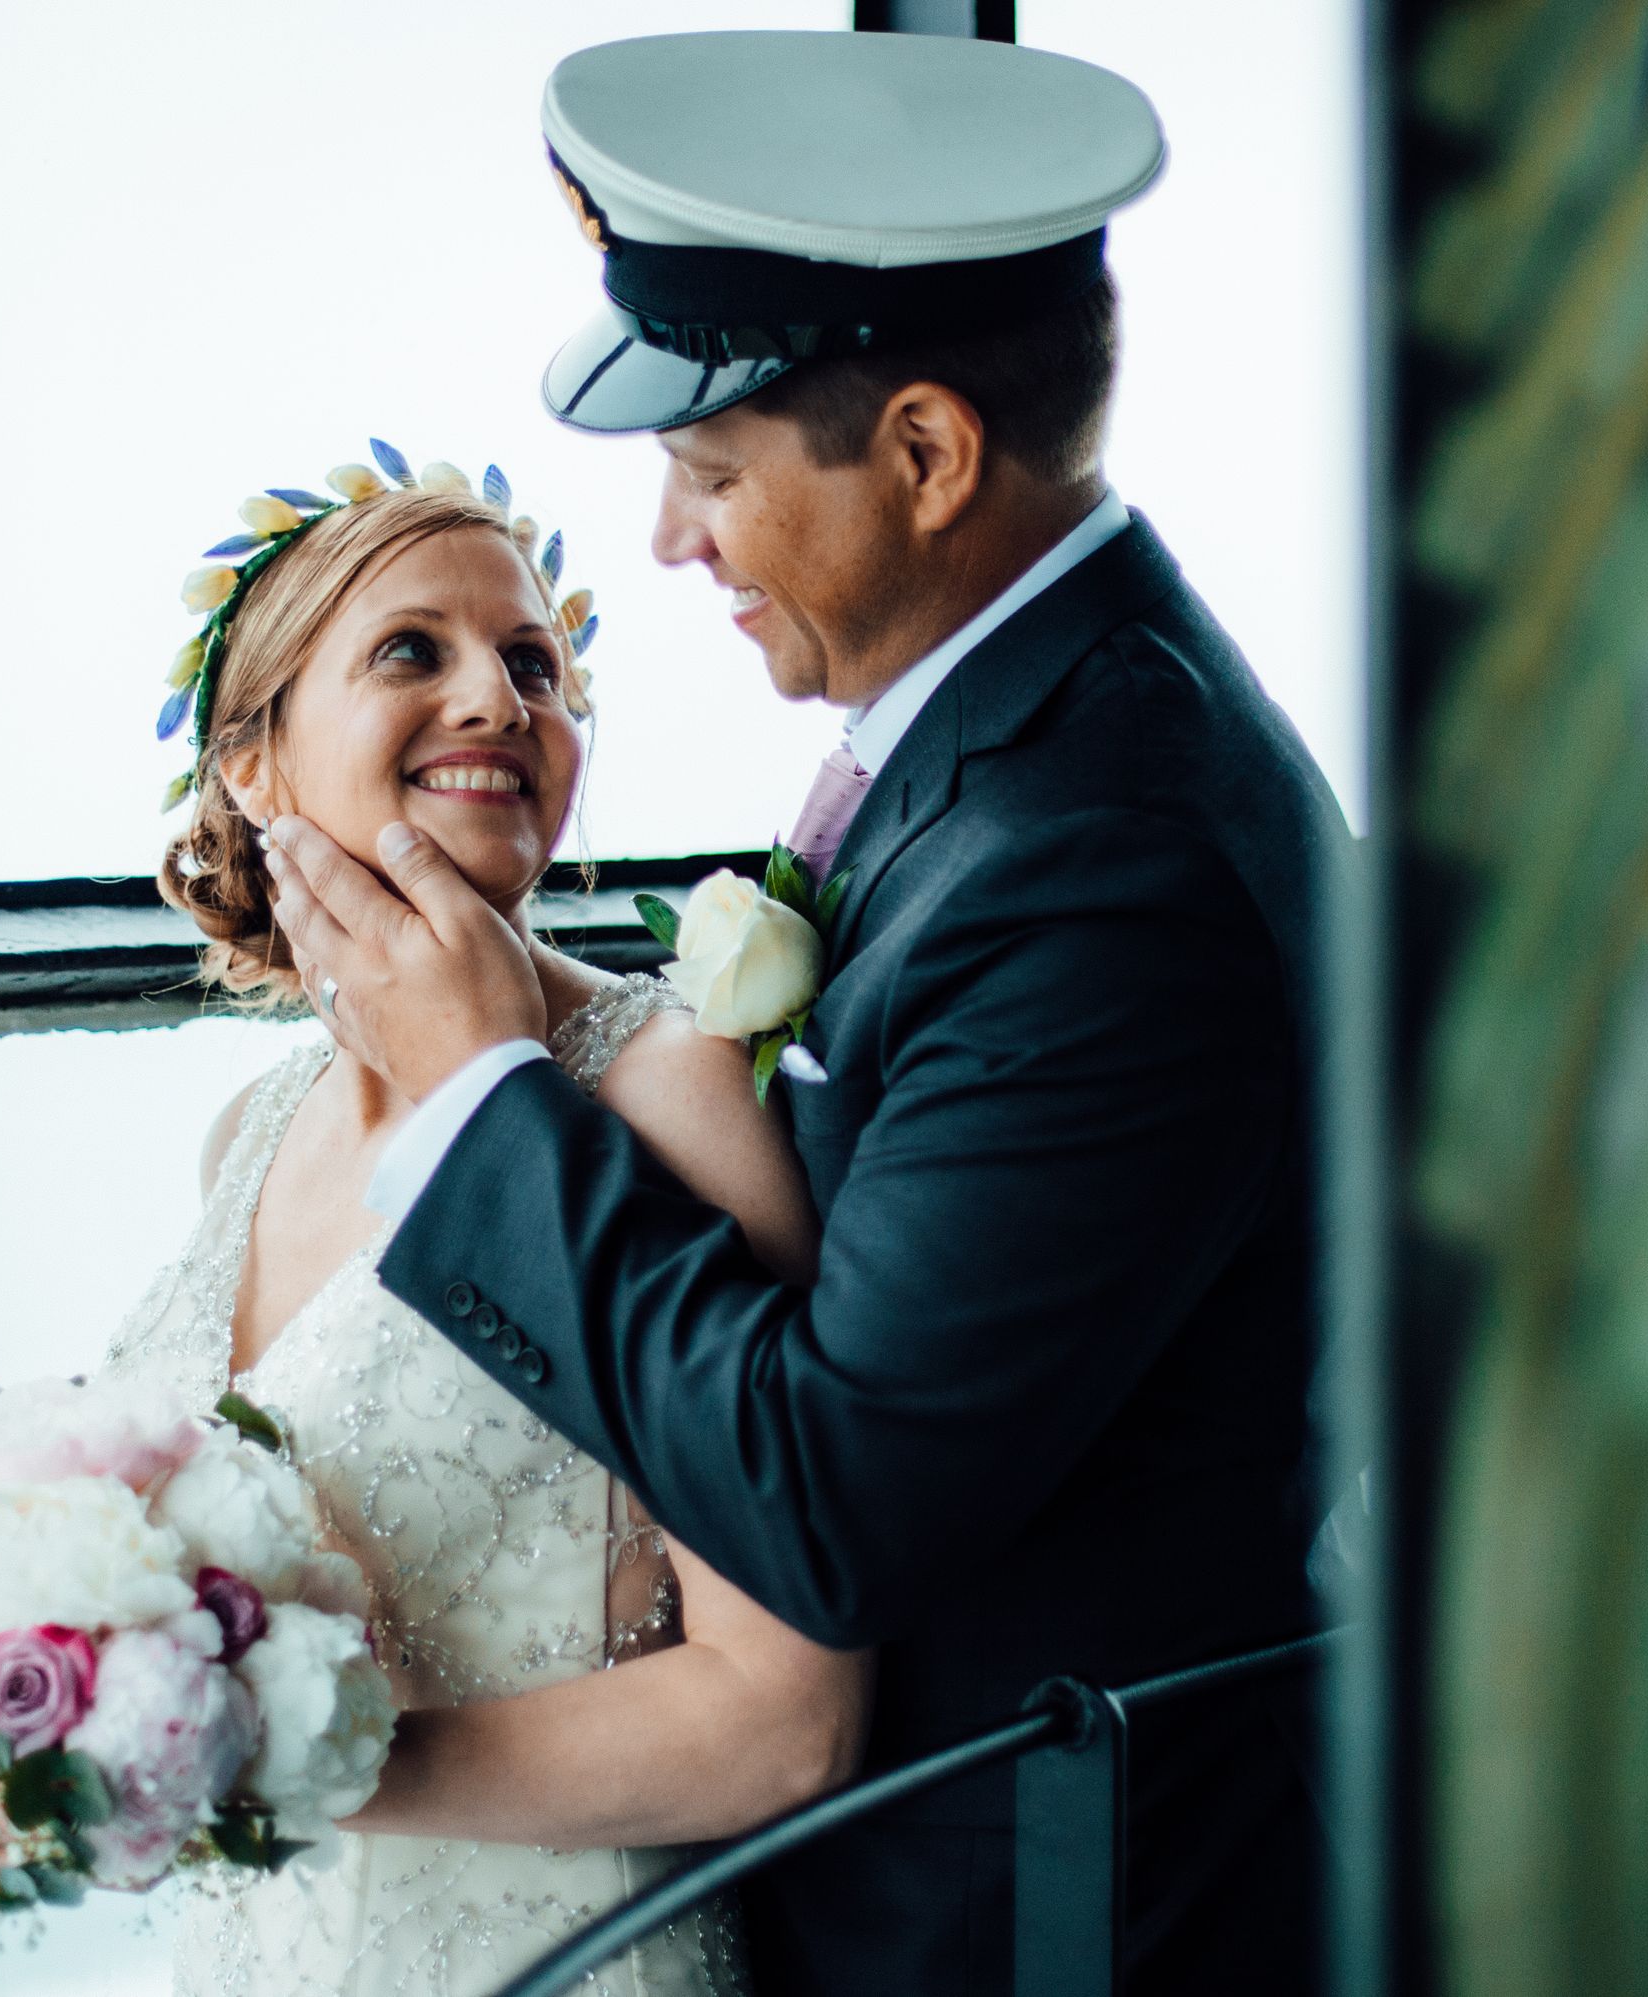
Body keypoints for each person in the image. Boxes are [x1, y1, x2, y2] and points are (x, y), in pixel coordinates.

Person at [261, 31, 1341, 1996]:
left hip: (1051, 1918)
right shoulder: (1009, 755)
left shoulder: (1106, 853)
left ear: (927, 455)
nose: (670, 545)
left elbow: (836, 1505)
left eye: (707, 473)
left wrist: (483, 1088)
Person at [0, 467, 857, 1993]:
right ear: (252, 761)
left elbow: (785, 1721)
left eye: (534, 664)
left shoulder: (671, 1090)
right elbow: (268, 1547)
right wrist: (11, 1471)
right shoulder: (249, 1129)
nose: (496, 699)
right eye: (411, 651)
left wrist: (289, 1765)